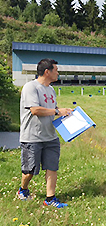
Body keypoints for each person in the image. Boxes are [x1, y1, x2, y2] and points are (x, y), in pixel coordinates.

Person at [18, 58, 73, 208]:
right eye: (56, 70)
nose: (58, 73)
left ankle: (50, 198)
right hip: (32, 137)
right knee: (30, 170)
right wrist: (57, 111)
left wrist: (64, 114)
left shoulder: (51, 89)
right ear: (47, 71)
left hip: (50, 136)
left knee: (52, 167)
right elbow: (35, 110)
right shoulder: (31, 87)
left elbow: (52, 110)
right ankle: (23, 189)